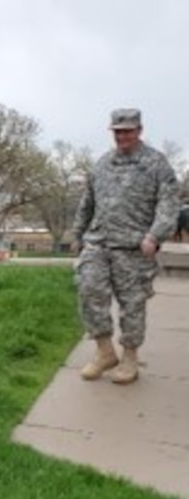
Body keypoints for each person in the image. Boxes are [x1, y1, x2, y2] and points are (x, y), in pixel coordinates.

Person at [72, 108, 180, 385]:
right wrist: (77, 234)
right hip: (98, 242)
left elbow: (168, 204)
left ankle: (130, 356)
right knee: (89, 290)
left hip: (134, 247)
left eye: (128, 130)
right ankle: (105, 352)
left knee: (132, 304)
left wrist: (155, 236)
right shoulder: (103, 164)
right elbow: (88, 202)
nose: (123, 136)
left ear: (139, 130)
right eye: (118, 131)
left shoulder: (156, 163)